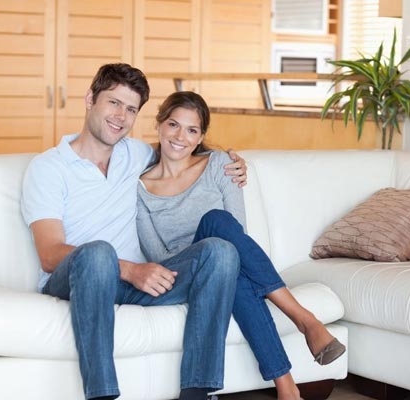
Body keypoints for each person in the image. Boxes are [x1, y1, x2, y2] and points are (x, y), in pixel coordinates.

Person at [21, 64, 248, 400]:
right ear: (90, 99)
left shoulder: (138, 154)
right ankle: (101, 395)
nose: (121, 116)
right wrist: (129, 268)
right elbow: (50, 254)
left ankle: (198, 393)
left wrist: (230, 162)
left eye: (130, 109)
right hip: (80, 279)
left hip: (139, 284)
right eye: (114, 103)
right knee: (98, 253)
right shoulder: (48, 168)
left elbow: (182, 148)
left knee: (220, 251)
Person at [136, 91, 346, 400]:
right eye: (173, 125)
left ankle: (287, 388)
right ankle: (305, 320)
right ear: (159, 126)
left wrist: (216, 255)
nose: (180, 136)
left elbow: (238, 233)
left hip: (224, 260)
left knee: (223, 243)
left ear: (200, 137)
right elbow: (157, 256)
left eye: (191, 130)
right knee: (217, 232)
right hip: (180, 271)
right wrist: (202, 254)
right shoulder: (141, 186)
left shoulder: (220, 164)